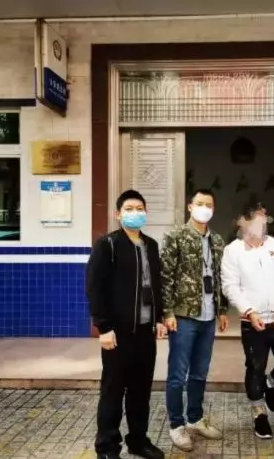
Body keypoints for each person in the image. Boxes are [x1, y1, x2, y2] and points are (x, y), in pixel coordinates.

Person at [86, 189, 166, 459]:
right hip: (117, 333)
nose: (135, 213)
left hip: (145, 333)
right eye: (129, 209)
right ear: (118, 214)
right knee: (113, 391)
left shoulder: (151, 245)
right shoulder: (107, 245)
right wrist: (103, 327)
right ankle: (107, 447)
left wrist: (158, 318)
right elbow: (94, 288)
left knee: (140, 392)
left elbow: (156, 285)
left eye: (139, 209)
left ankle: (138, 440)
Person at [221, 203, 274, 439]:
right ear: (242, 221)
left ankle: (270, 385)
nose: (263, 222)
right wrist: (248, 310)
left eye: (265, 218)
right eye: (258, 218)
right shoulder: (233, 251)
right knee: (256, 367)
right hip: (252, 322)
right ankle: (259, 415)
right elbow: (230, 286)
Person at [161, 188, 229, 452]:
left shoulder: (217, 240)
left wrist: (222, 310)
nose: (204, 208)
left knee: (200, 372)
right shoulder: (176, 236)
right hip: (183, 316)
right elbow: (165, 276)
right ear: (190, 207)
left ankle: (195, 418)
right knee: (177, 375)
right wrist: (167, 312)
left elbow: (220, 278)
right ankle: (176, 425)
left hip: (208, 316)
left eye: (209, 204)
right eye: (200, 203)